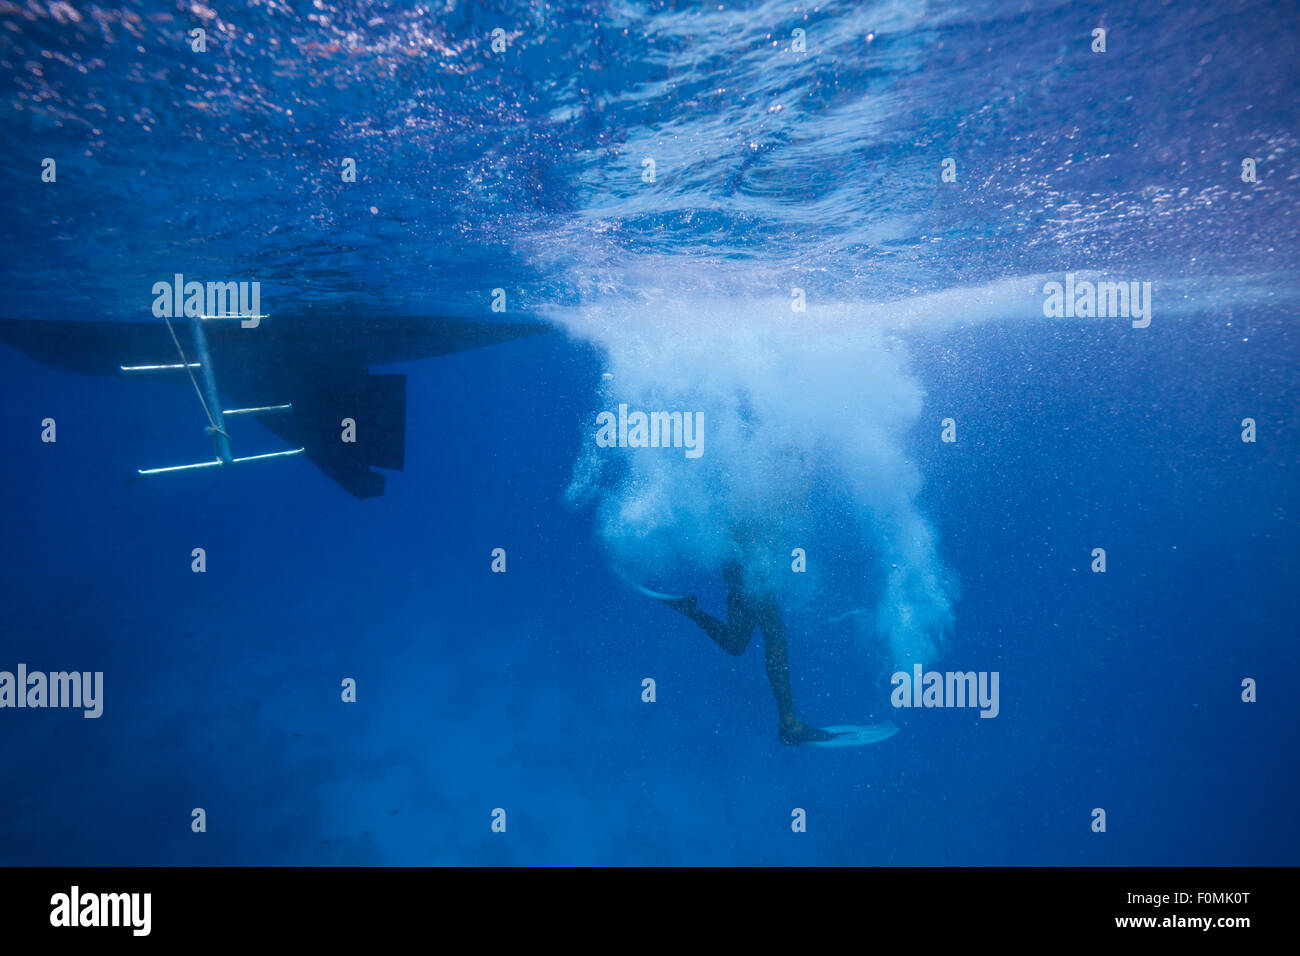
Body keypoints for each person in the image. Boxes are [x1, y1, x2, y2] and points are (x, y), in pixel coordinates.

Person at [660, 559, 841, 745]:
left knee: (735, 643)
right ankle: (790, 724)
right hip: (749, 571)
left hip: (742, 570)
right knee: (774, 637)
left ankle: (689, 610)